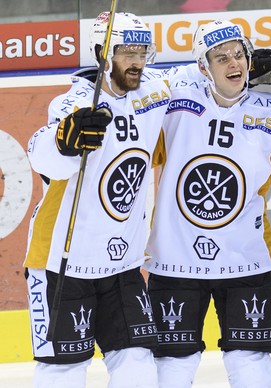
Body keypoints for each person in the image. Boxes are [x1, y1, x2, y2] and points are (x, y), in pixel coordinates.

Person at [143, 20, 271, 388]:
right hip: (174, 261)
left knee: (251, 367)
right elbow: (129, 91)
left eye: (238, 54)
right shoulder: (172, 96)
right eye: (220, 58)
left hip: (246, 263)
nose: (232, 63)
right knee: (172, 369)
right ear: (202, 67)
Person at [24, 11, 169, 388]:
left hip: (121, 265)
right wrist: (65, 142)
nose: (136, 61)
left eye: (143, 51)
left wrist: (259, 70)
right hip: (61, 261)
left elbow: (204, 79)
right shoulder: (72, 104)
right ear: (102, 53)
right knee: (63, 373)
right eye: (126, 52)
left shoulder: (156, 91)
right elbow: (41, 153)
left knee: (139, 367)